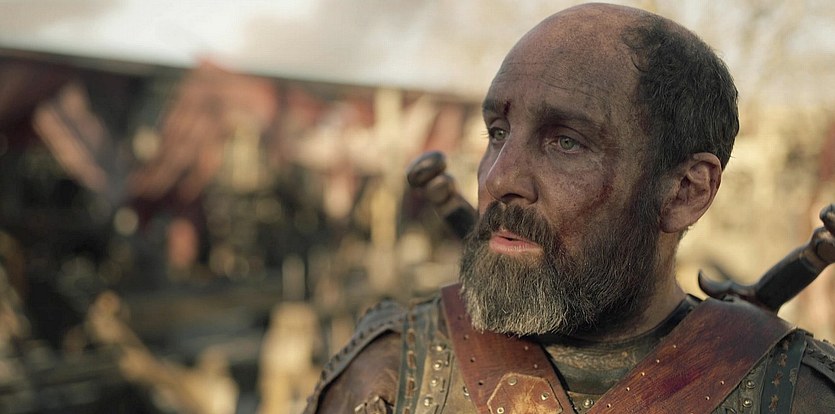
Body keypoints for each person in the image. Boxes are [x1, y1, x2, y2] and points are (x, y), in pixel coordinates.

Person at [304, 3, 835, 413]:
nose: (498, 179)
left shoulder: (798, 396)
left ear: (685, 191)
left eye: (566, 142)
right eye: (497, 132)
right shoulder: (392, 374)